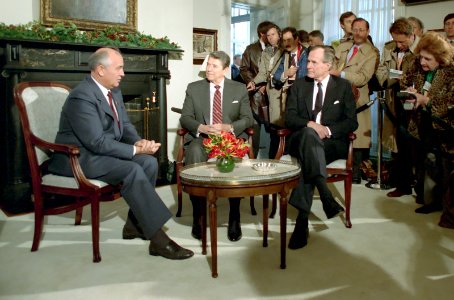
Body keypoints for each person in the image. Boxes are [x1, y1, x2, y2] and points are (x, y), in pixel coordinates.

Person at [48, 48, 193, 260]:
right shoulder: (81, 97)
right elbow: (96, 142)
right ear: (100, 70)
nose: (123, 73)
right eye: (119, 68)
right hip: (78, 158)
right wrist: (135, 150)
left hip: (99, 153)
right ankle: (159, 240)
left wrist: (137, 141)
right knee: (132, 168)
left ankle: (134, 226)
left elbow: (124, 125)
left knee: (149, 163)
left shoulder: (113, 90)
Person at [285, 45, 358, 249]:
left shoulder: (343, 87)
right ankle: (325, 194)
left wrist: (327, 129)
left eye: (313, 62)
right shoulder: (299, 86)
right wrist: (311, 125)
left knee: (310, 157)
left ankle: (302, 221)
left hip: (331, 144)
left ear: (328, 65)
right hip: (301, 139)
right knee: (309, 136)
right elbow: (289, 117)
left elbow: (351, 122)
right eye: (308, 61)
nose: (307, 65)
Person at [180, 51, 254, 241]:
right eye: (208, 65)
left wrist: (229, 127)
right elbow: (185, 118)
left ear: (226, 69)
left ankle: (234, 216)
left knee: (234, 157)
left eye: (214, 66)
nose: (209, 69)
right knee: (195, 150)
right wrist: (201, 127)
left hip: (229, 137)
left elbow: (248, 119)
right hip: (203, 137)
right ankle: (199, 215)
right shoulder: (194, 88)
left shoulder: (239, 89)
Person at [400, 32, 454, 218]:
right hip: (421, 122)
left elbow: (449, 101)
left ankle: (447, 207)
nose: (422, 62)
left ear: (441, 58)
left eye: (427, 59)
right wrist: (410, 91)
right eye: (421, 57)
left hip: (445, 127)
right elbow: (405, 80)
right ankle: (429, 200)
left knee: (445, 167)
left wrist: (427, 101)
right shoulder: (417, 65)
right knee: (426, 161)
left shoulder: (451, 71)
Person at [375, 18, 421, 199]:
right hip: (394, 102)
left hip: (416, 102)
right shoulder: (388, 48)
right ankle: (402, 185)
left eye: (402, 41)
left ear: (412, 35)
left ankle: (421, 187)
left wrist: (403, 78)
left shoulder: (421, 48)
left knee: (416, 145)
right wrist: (394, 77)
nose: (399, 45)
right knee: (398, 144)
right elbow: (380, 72)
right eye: (396, 40)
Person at [330, 18, 379, 184]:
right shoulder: (343, 47)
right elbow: (332, 64)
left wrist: (340, 74)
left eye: (361, 30)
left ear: (368, 31)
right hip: (337, 95)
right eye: (355, 29)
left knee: (358, 136)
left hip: (358, 99)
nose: (357, 33)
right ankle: (338, 168)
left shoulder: (372, 52)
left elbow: (363, 77)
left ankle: (355, 173)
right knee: (338, 131)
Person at [246, 23, 285, 158]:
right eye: (268, 36)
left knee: (281, 127)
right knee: (273, 128)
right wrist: (253, 82)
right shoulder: (266, 52)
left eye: (273, 34)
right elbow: (262, 73)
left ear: (279, 34)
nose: (270, 38)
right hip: (270, 95)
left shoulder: (285, 50)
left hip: (282, 92)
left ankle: (280, 160)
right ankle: (273, 159)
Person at [240, 20, 273, 158]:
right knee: (254, 132)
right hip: (255, 97)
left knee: (275, 133)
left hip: (274, 95)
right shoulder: (251, 49)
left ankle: (274, 164)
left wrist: (268, 85)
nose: (273, 37)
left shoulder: (277, 49)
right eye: (269, 34)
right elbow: (243, 69)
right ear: (262, 34)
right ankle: (252, 163)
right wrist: (256, 84)